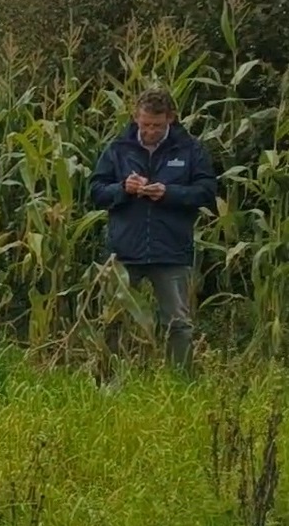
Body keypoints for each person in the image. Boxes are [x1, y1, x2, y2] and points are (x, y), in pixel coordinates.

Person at [89, 87, 217, 372]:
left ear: (170, 118)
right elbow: (96, 192)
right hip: (124, 250)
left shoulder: (190, 150)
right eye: (145, 124)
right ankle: (109, 383)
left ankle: (180, 383)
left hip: (171, 249)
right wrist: (123, 188)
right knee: (113, 319)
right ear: (136, 117)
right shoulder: (118, 149)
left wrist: (168, 193)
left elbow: (207, 192)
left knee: (178, 324)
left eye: (157, 126)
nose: (150, 131)